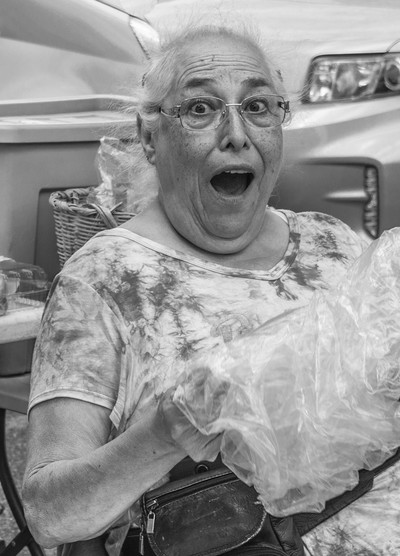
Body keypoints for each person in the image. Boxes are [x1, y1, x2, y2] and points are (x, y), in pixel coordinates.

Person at [21, 22, 399, 556]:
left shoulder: (331, 242)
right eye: (201, 109)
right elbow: (49, 516)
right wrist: (166, 431)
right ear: (150, 137)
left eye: (258, 106)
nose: (237, 134)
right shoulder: (106, 279)